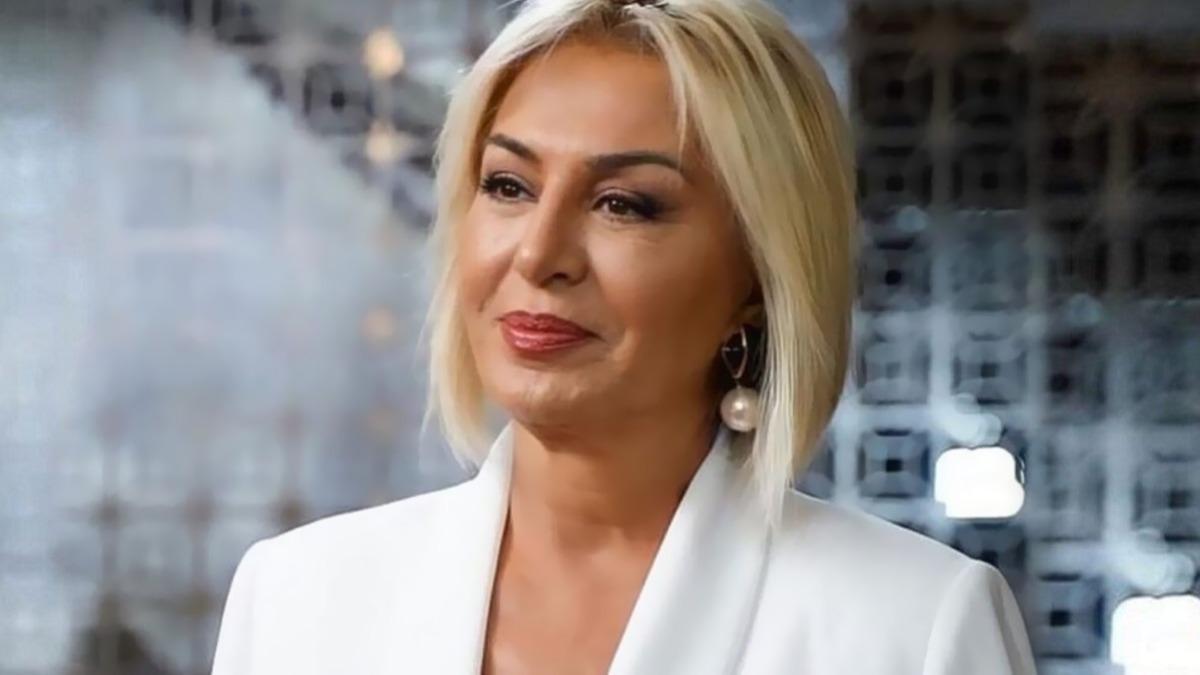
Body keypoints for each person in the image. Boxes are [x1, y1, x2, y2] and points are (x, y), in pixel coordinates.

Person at [211, 0, 1038, 673]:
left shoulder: (914, 627)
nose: (538, 254)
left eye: (624, 204)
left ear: (758, 279)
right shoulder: (295, 600)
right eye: (508, 185)